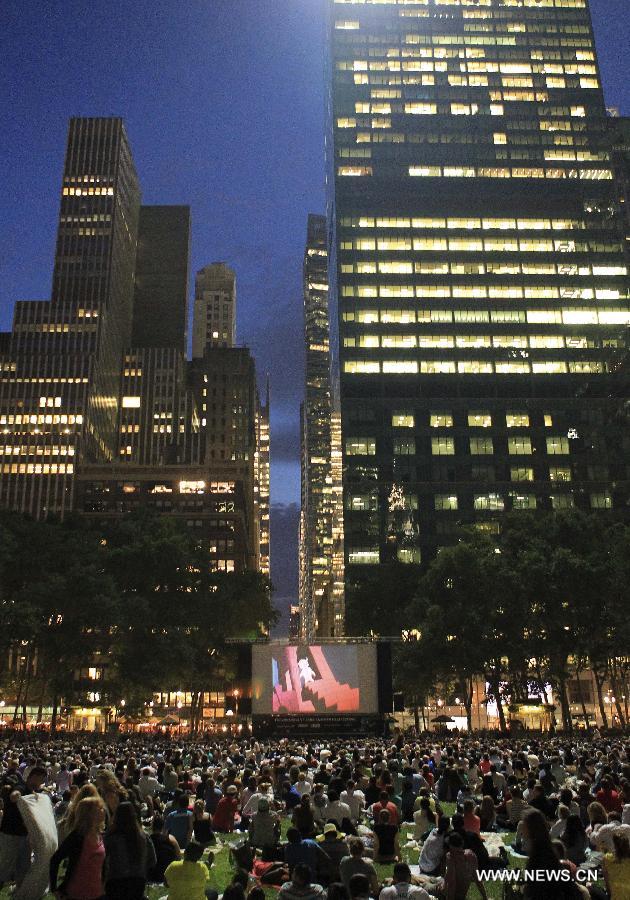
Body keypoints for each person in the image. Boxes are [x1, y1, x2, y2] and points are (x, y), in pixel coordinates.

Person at [0, 764, 48, 891]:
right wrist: (15, 795)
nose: (42, 782)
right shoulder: (21, 786)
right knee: (5, 867)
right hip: (11, 834)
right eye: (41, 779)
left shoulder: (34, 793)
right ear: (34, 777)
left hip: (24, 836)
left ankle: (20, 892)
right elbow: (15, 793)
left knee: (24, 866)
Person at [49, 796, 106, 900]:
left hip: (98, 893)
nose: (103, 811)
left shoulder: (101, 835)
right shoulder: (77, 836)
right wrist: (54, 889)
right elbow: (55, 860)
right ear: (89, 814)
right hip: (77, 893)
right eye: (100, 808)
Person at [521, 808, 582, 899]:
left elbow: (537, 888)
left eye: (524, 825)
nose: (522, 827)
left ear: (531, 828)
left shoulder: (539, 854)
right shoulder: (546, 847)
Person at [104, 800, 156, 899]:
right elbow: (152, 861)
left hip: (115, 881)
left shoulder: (110, 837)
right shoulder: (144, 837)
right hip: (138, 881)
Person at [443, 831, 488, 900]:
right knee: (434, 880)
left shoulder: (451, 857)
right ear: (462, 843)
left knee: (428, 885)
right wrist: (485, 897)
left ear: (451, 846)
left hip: (447, 893)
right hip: (461, 895)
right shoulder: (471, 855)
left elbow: (452, 885)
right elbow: (478, 880)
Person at [148, 814, 181, 884]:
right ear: (163, 826)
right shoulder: (171, 839)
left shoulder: (148, 840)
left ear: (152, 826)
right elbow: (179, 857)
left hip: (151, 875)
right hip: (168, 874)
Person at [601, 831, 630, 900]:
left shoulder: (607, 858)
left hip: (616, 895)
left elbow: (606, 880)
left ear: (614, 844)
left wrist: (609, 892)